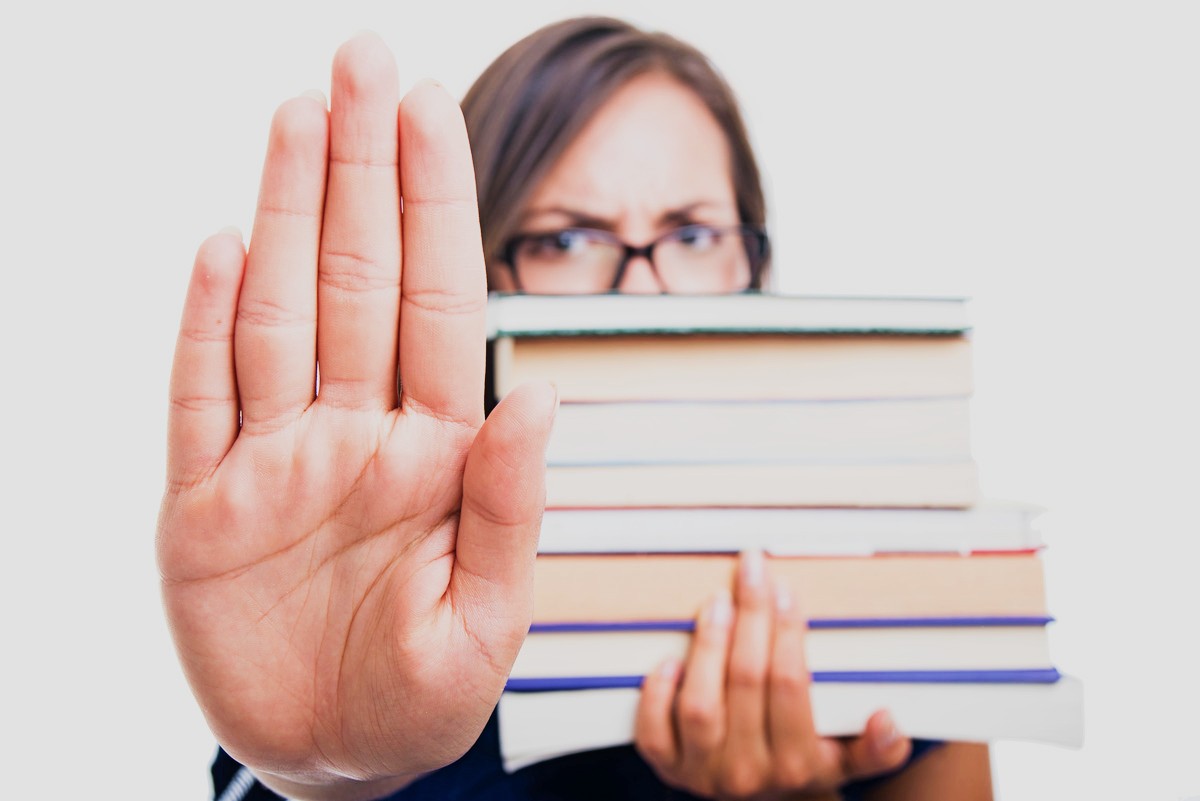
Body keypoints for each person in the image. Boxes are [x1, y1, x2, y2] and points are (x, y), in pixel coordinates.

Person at [159, 17, 993, 801]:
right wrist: (330, 776)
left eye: (695, 235)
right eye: (566, 240)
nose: (643, 291)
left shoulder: (885, 601)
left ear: (752, 269)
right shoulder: (349, 598)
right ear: (467, 279)